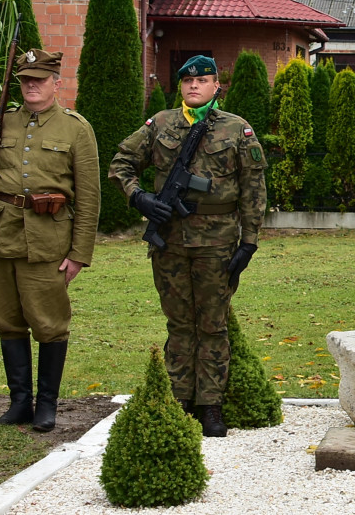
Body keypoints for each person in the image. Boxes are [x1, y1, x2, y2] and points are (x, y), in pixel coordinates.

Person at [108, 55, 267, 437]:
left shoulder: (236, 130)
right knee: (179, 324)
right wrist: (139, 198)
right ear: (180, 86)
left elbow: (253, 188)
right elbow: (120, 162)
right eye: (187, 81)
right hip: (171, 241)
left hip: (218, 242)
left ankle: (210, 405)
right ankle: (179, 400)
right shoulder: (161, 124)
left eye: (203, 80)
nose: (194, 86)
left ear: (216, 87)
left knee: (212, 325)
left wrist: (250, 240)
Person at [0, 49, 100, 432]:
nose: (32, 85)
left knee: (50, 324)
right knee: (6, 321)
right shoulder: (1, 124)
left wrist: (79, 253)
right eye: (25, 80)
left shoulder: (75, 128)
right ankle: (20, 402)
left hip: (48, 241)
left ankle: (47, 405)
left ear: (57, 82)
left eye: (39, 79)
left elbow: (89, 198)